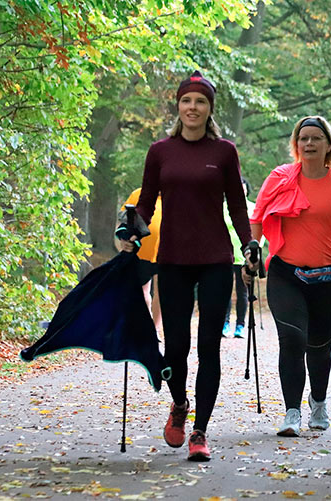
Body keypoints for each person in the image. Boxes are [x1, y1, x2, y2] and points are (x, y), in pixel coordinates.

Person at [121, 70, 252, 462]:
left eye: (200, 101)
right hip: (173, 259)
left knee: (209, 346)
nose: (192, 107)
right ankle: (179, 403)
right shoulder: (160, 151)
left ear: (210, 109)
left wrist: (249, 244)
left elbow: (237, 205)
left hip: (215, 259)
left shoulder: (224, 152)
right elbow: (146, 202)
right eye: (186, 101)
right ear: (178, 106)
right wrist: (133, 227)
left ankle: (200, 431)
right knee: (176, 346)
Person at [244, 115, 331, 437]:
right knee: (293, 339)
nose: (309, 144)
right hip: (286, 273)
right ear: (296, 145)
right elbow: (257, 218)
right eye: (303, 139)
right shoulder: (280, 178)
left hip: (327, 277)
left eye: (315, 138)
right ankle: (292, 412)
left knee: (320, 346)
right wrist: (253, 248)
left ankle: (319, 402)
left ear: (328, 145)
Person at [117, 188, 163, 335]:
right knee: (141, 291)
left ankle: (154, 331)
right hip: (140, 251)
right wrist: (123, 238)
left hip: (166, 252)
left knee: (161, 292)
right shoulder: (139, 194)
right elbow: (124, 221)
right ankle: (142, 324)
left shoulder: (176, 194)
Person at [222, 177, 255, 339]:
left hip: (244, 256)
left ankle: (240, 325)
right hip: (225, 254)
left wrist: (255, 251)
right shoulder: (222, 207)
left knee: (242, 292)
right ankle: (225, 323)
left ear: (247, 190)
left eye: (243, 189)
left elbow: (258, 232)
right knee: (225, 291)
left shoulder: (253, 208)